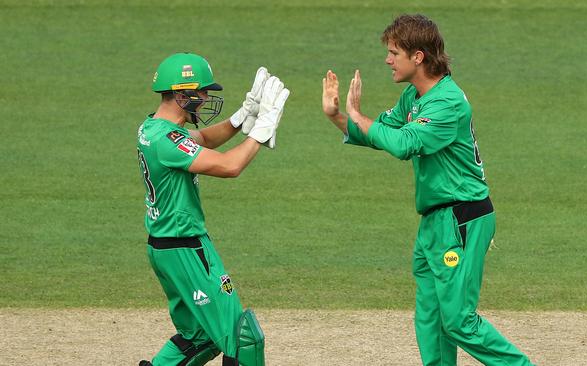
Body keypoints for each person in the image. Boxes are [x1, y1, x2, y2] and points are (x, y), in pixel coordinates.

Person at [322, 14, 534, 366]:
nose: (388, 60)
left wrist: (358, 115)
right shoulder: (414, 96)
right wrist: (338, 117)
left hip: (462, 218)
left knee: (459, 322)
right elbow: (381, 133)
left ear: (417, 56)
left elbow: (404, 144)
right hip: (435, 221)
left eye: (394, 53)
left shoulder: (448, 103)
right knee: (431, 319)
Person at [137, 52, 289, 366]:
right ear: (181, 94)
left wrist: (242, 117)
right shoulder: (167, 141)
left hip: (167, 246)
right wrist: (262, 128)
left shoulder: (154, 130)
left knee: (200, 338)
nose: (206, 98)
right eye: (202, 92)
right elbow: (229, 166)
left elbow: (203, 139)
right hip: (186, 247)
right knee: (242, 337)